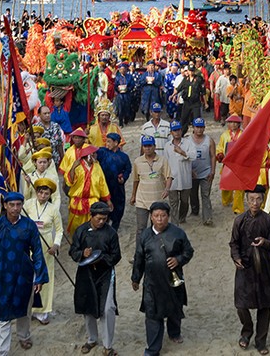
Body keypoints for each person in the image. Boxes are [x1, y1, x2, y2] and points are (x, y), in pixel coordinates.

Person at [0, 191, 48, 355]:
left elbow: (37, 251)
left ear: (22, 205)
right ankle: (2, 351)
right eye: (11, 205)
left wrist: (40, 277)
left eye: (18, 205)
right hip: (1, 275)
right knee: (2, 314)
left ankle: (24, 336)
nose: (15, 208)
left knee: (24, 308)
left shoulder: (29, 225)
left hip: (24, 274)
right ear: (5, 205)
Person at [131, 201, 194, 356]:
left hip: (173, 280)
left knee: (174, 307)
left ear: (168, 216)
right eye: (156, 216)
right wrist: (136, 278)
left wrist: (178, 260)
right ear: (151, 217)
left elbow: (189, 251)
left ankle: (174, 332)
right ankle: (153, 349)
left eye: (163, 216)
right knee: (152, 314)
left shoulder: (178, 233)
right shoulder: (145, 235)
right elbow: (139, 257)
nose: (160, 219)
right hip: (152, 283)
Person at [230, 185, 270, 355]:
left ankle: (261, 341)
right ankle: (247, 331)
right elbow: (234, 243)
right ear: (246, 199)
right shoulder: (239, 220)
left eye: (258, 199)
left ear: (263, 199)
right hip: (245, 267)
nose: (255, 203)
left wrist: (264, 242)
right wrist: (236, 257)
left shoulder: (268, 220)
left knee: (264, 305)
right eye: (251, 199)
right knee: (241, 305)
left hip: (264, 267)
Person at [70, 202, 122, 356]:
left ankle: (107, 345)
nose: (101, 222)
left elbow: (116, 256)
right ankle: (92, 339)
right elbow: (73, 251)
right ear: (91, 216)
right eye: (98, 218)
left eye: (104, 219)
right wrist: (82, 254)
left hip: (105, 274)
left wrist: (101, 257)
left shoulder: (111, 233)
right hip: (86, 275)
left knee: (108, 309)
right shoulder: (81, 231)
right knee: (88, 308)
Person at [23, 178, 63, 325]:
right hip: (28, 243)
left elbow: (59, 230)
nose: (43, 196)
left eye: (46, 193)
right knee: (28, 276)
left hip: (46, 244)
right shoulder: (28, 205)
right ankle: (29, 308)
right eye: (40, 192)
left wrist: (56, 245)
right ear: (36, 192)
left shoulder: (53, 209)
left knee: (44, 277)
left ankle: (43, 310)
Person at [131, 136, 172, 248]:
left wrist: (167, 189)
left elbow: (169, 176)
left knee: (158, 226)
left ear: (154, 146)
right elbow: (135, 180)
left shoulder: (163, 160)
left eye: (150, 146)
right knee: (141, 228)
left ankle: (158, 250)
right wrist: (133, 195)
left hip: (158, 200)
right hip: (142, 200)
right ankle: (139, 252)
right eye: (145, 146)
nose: (147, 148)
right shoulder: (137, 162)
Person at [65, 145, 112, 238]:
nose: (96, 155)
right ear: (88, 155)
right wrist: (73, 168)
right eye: (93, 153)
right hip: (78, 202)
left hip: (92, 201)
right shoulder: (76, 166)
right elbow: (69, 182)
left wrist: (108, 200)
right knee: (76, 226)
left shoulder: (97, 166)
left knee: (93, 225)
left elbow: (102, 184)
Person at [96, 132, 133, 230]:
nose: (106, 144)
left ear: (116, 143)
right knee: (103, 207)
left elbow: (128, 169)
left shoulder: (124, 157)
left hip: (117, 187)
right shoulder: (102, 152)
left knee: (118, 207)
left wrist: (123, 178)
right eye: (106, 141)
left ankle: (115, 228)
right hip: (104, 186)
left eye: (109, 142)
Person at [163, 120, 195, 224]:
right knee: (173, 202)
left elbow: (193, 156)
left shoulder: (188, 143)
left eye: (178, 130)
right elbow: (165, 162)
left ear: (181, 131)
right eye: (174, 130)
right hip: (172, 179)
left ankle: (182, 217)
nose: (177, 132)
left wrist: (182, 152)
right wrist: (165, 178)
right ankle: (175, 222)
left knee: (185, 201)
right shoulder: (167, 146)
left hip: (185, 178)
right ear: (171, 132)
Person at [190, 117, 216, 226]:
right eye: (197, 127)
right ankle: (195, 210)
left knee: (205, 195)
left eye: (201, 127)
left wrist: (213, 171)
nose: (199, 130)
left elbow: (213, 156)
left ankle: (207, 218)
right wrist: (190, 170)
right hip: (193, 173)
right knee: (193, 194)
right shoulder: (188, 140)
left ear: (204, 128)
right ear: (193, 128)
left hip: (206, 172)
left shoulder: (209, 140)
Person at [218, 114, 245, 214]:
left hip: (239, 164)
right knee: (226, 183)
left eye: (235, 122)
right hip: (228, 163)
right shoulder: (224, 135)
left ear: (238, 124)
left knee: (239, 187)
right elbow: (220, 147)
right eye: (230, 122)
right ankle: (226, 200)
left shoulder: (243, 134)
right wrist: (220, 154)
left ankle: (238, 207)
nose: (233, 124)